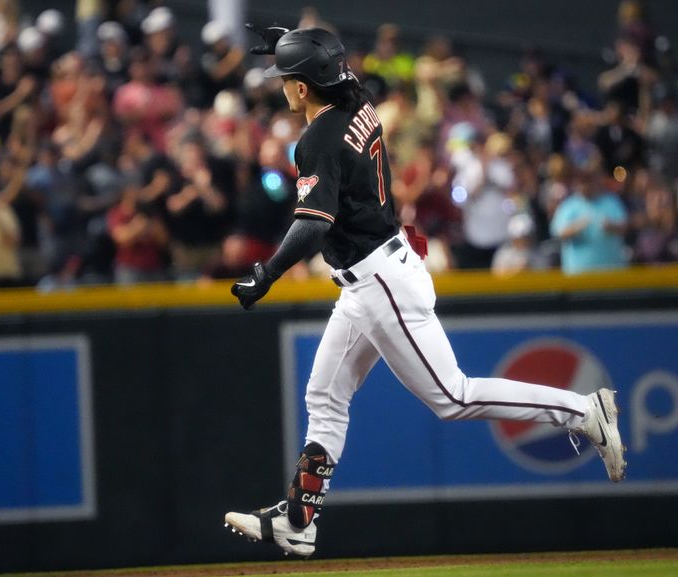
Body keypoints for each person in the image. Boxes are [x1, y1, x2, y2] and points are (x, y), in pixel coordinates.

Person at [224, 25, 627, 559]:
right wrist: (297, 45)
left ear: (301, 88)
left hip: (379, 279)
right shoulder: (357, 99)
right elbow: (335, 71)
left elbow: (313, 222)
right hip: (370, 275)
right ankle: (299, 518)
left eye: (286, 77)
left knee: (453, 397)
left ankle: (582, 411)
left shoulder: (318, 137)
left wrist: (267, 272)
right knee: (325, 396)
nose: (282, 86)